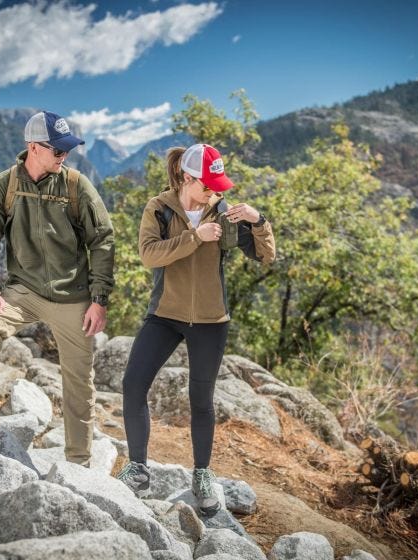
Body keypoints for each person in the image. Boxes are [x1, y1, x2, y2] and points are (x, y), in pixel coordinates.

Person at [117, 143, 275, 515]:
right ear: (186, 179)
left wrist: (258, 220)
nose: (214, 193)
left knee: (200, 400)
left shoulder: (225, 215)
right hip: (165, 315)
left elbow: (266, 257)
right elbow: (148, 254)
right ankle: (138, 468)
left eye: (218, 187)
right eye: (207, 186)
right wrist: (194, 237)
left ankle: (202, 474)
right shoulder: (158, 208)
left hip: (210, 321)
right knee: (132, 384)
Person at [0, 110, 114, 466]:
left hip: (74, 297)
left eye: (67, 150)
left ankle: (78, 461)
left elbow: (103, 241)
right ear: (33, 148)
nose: (65, 156)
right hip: (23, 292)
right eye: (58, 150)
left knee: (79, 379)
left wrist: (99, 299)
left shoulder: (77, 185)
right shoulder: (4, 186)